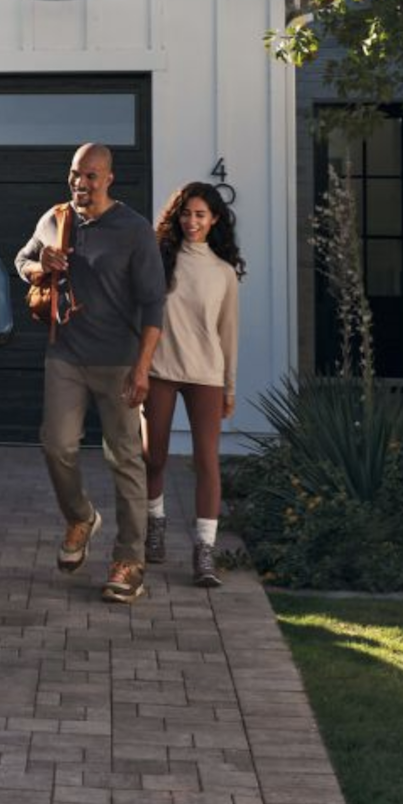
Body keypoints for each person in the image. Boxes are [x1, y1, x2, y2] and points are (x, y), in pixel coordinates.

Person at [14, 143, 166, 605]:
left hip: (119, 360)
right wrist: (41, 266)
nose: (81, 183)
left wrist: (143, 367)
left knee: (124, 460)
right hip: (66, 354)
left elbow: (154, 303)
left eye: (91, 176)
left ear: (109, 179)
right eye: (76, 174)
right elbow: (21, 261)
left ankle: (129, 562)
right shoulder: (55, 219)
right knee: (56, 444)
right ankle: (80, 516)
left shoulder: (134, 230)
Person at [142, 182, 243, 588]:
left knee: (207, 462)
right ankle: (155, 527)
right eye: (186, 214)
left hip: (207, 377)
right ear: (177, 216)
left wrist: (230, 387)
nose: (192, 222)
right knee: (154, 457)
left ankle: (204, 553)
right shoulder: (158, 259)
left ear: (214, 219)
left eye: (201, 215)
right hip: (161, 371)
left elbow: (229, 333)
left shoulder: (223, 273)